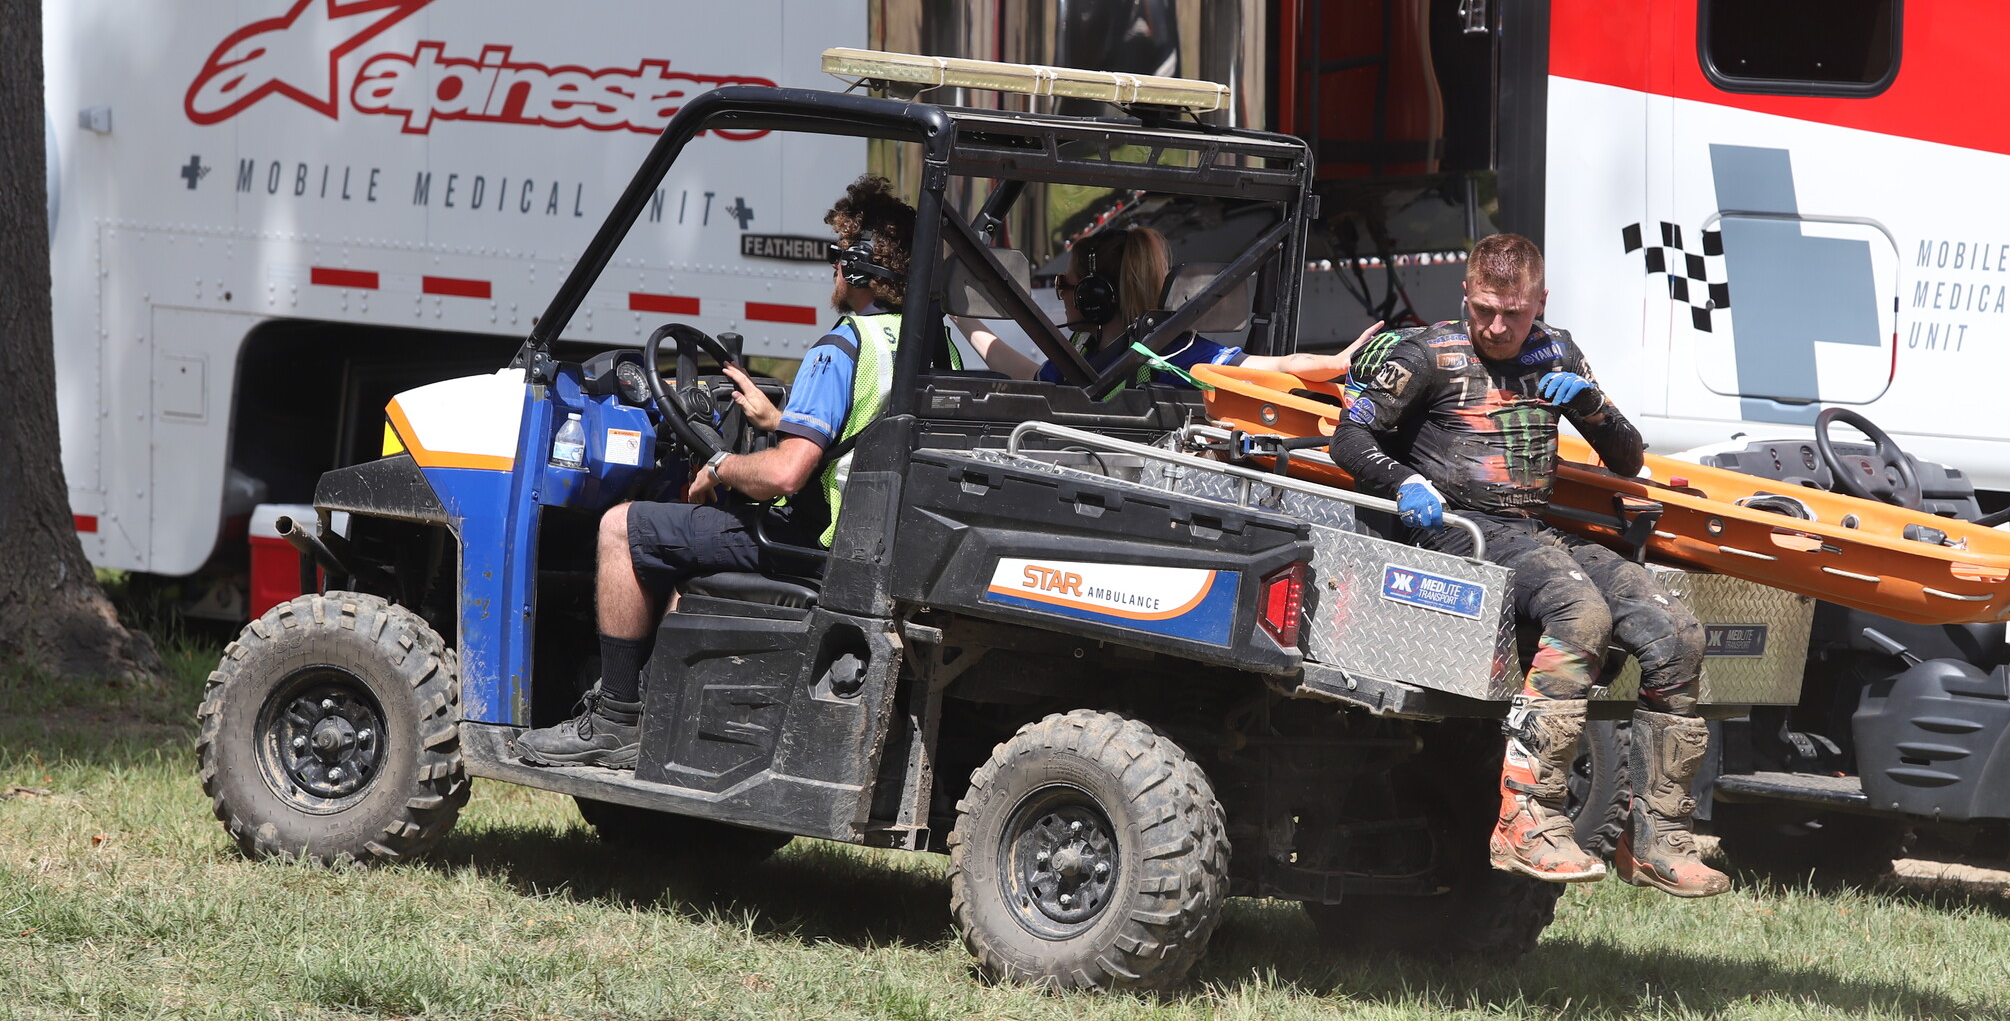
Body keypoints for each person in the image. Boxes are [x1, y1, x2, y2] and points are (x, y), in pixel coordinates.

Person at [1327, 233, 1727, 896]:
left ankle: (1657, 835)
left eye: (1513, 312)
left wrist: (1591, 406)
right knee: (1582, 612)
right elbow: (1349, 433)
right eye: (1484, 308)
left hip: (1530, 530)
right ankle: (1526, 815)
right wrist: (1403, 482)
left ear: (1539, 300)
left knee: (1676, 631)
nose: (1497, 326)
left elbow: (1626, 459)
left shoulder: (1555, 349)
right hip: (1460, 528)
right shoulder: (1428, 352)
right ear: (1466, 293)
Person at [519, 174, 929, 768]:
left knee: (619, 528)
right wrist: (779, 418)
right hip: (874, 539)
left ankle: (615, 717)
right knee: (692, 545)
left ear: (864, 271)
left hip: (812, 540)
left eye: (839, 257)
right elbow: (864, 434)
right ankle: (664, 704)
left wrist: (720, 463)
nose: (832, 270)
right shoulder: (930, 342)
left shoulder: (840, 349)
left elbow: (788, 475)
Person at [953, 224, 1371, 388]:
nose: (1059, 292)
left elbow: (1274, 366)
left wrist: (1338, 363)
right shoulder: (1081, 356)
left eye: (1066, 284)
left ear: (1095, 297)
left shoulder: (1179, 352)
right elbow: (1027, 374)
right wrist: (962, 317)